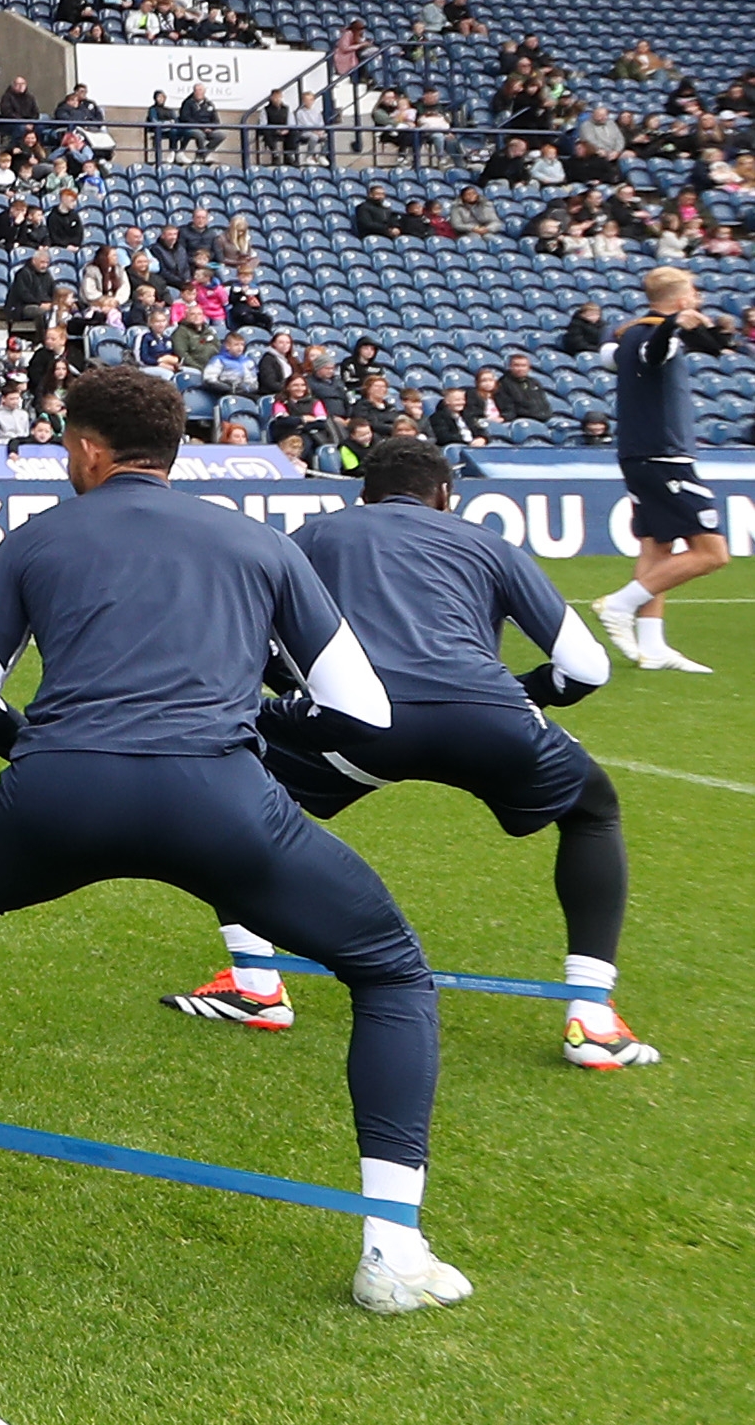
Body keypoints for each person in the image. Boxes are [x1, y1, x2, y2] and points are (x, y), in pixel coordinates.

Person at [0, 365, 471, 1316]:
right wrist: (250, 738)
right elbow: (361, 709)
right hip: (219, 799)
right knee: (388, 971)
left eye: (65, 444)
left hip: (56, 792)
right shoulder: (257, 541)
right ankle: (392, 1252)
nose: (65, 459)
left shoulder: (36, 538)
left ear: (92, 450)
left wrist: (43, 753)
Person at [172, 439, 655, 1071]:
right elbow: (585, 669)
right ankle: (591, 1018)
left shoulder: (311, 536)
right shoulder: (487, 542)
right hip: (491, 719)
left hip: (361, 724)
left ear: (362, 493)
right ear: (446, 496)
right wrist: (518, 697)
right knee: (594, 811)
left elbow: (247, 643)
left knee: (236, 801)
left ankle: (257, 982)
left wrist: (295, 699)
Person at [591, 266, 732, 675]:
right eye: (695, 292)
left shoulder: (632, 333)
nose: (700, 299)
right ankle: (619, 604)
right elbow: (655, 353)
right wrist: (673, 325)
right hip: (661, 456)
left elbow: (612, 352)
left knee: (658, 547)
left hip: (643, 454)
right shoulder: (655, 336)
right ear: (682, 298)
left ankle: (652, 646)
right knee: (712, 553)